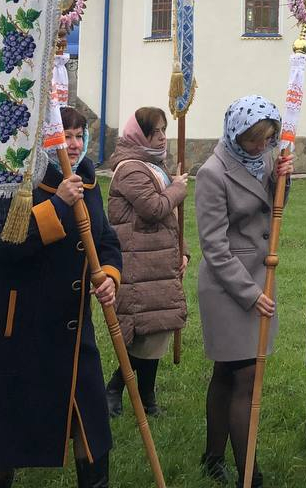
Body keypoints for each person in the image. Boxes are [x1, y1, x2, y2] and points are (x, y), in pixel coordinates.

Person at [0, 105, 121, 488]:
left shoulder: (85, 178)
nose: (73, 144)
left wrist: (109, 275)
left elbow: (106, 240)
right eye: (64, 135)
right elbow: (4, 242)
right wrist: (58, 203)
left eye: (78, 135)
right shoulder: (9, 174)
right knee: (1, 432)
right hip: (14, 327)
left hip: (70, 326)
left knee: (90, 423)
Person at [196, 95, 294, 487]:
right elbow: (214, 247)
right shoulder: (212, 173)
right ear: (236, 133)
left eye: (267, 139)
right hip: (229, 288)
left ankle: (211, 457)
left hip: (259, 276)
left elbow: (274, 209)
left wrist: (281, 179)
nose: (260, 147)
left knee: (227, 371)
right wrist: (250, 295)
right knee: (246, 376)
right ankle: (249, 476)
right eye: (253, 139)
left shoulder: (267, 159)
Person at [104, 107, 188, 418]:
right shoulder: (130, 169)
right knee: (144, 334)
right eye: (155, 132)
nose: (162, 137)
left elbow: (171, 220)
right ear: (139, 135)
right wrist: (177, 189)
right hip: (139, 262)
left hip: (158, 260)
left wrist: (182, 251)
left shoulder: (155, 164)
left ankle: (147, 398)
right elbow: (154, 209)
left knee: (156, 329)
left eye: (164, 130)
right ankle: (115, 387)